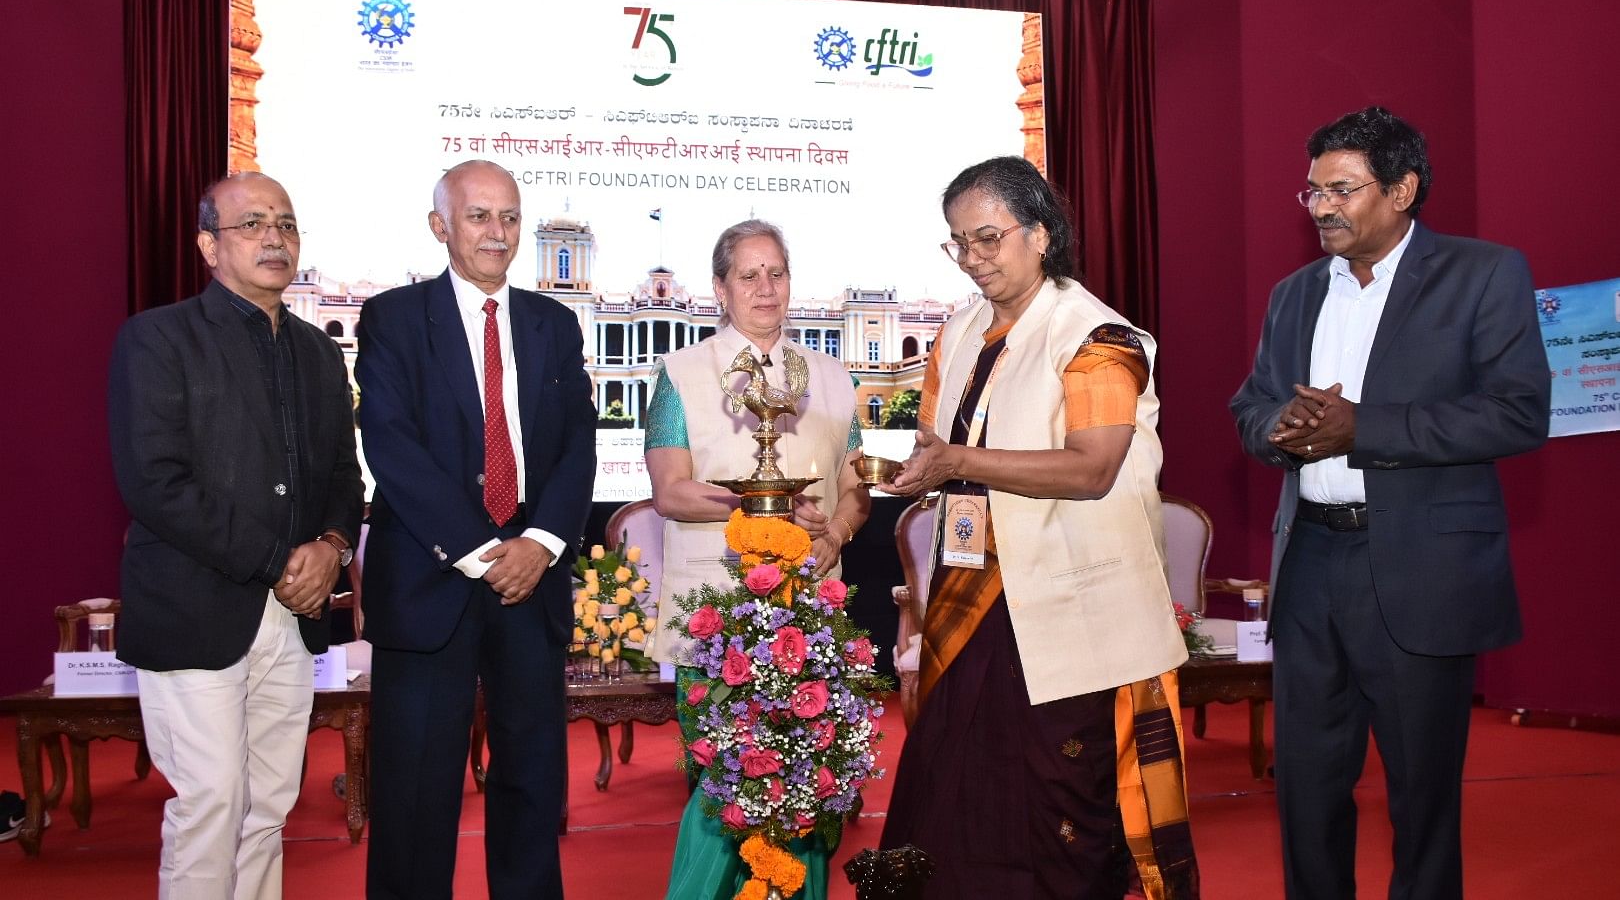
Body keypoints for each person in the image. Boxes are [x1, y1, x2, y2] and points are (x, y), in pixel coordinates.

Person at [1230, 106, 1550, 899]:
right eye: (1310, 192)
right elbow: (1250, 406)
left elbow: (1517, 411)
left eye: (1342, 188)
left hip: (1422, 571)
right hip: (1309, 566)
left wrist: (1359, 428)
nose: (1322, 206)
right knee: (1305, 790)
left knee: (1421, 798)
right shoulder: (1294, 294)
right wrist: (1285, 427)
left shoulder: (1483, 273)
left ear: (1404, 189)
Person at [876, 156, 1198, 899]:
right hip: (972, 598)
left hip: (1070, 612)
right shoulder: (957, 334)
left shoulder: (1099, 339)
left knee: (1063, 807)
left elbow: (1092, 467)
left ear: (1043, 233)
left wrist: (958, 458)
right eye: (959, 242)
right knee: (955, 794)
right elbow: (936, 446)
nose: (974, 258)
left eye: (989, 237)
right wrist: (885, 481)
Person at [108, 172, 365, 899]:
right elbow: (154, 481)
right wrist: (276, 559)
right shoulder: (157, 338)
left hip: (292, 619)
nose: (275, 238)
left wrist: (335, 544)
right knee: (211, 802)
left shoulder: (319, 352)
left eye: (285, 223)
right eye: (252, 224)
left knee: (269, 805)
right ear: (207, 246)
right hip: (196, 610)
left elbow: (346, 477)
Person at [356, 159, 596, 899]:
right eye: (478, 216)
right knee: (415, 786)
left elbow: (577, 443)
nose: (498, 232)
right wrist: (480, 549)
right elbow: (390, 442)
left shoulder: (554, 323)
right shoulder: (395, 318)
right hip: (435, 576)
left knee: (531, 779)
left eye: (509, 217)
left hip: (533, 573)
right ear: (440, 226)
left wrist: (543, 542)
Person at [645, 219, 871, 900]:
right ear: (720, 287)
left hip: (812, 619)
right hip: (716, 620)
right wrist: (760, 513)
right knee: (726, 790)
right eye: (748, 274)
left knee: (808, 784)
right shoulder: (680, 374)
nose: (765, 287)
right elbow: (670, 490)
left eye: (776, 272)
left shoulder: (832, 378)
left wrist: (833, 531)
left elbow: (856, 487)